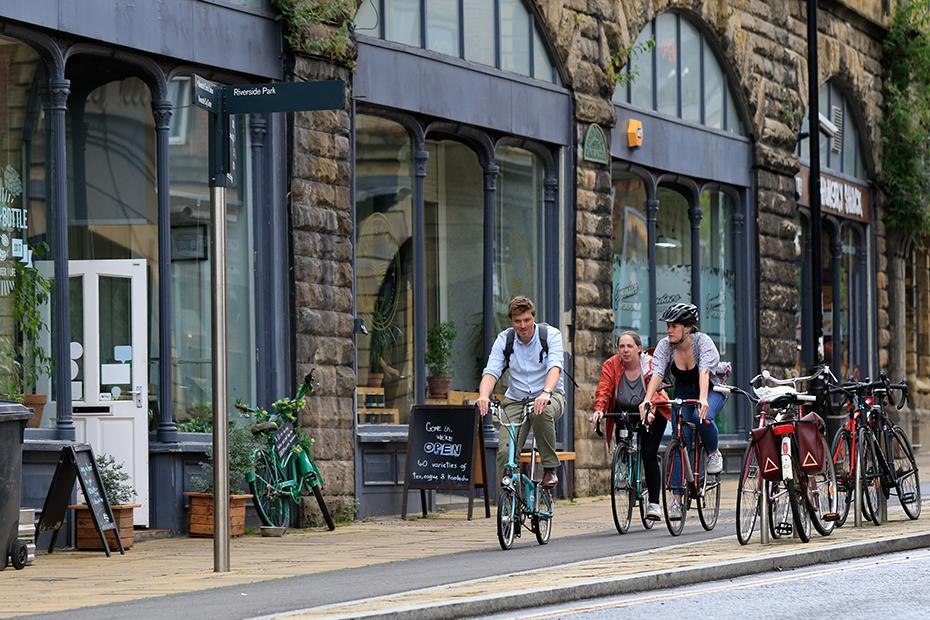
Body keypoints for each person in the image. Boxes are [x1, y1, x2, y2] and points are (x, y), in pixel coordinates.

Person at [640, 303, 728, 517]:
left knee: (700, 416)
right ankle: (678, 500)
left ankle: (714, 452)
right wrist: (647, 400)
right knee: (681, 438)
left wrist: (703, 399)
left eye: (674, 325)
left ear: (688, 328)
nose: (669, 330)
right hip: (683, 389)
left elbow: (705, 372)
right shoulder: (665, 345)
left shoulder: (703, 342)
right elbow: (657, 373)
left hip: (712, 389)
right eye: (668, 325)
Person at [476, 296, 565, 488]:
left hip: (550, 395)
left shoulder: (550, 335)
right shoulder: (505, 339)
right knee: (504, 452)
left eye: (527, 320)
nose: (523, 325)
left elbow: (555, 367)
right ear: (511, 321)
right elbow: (491, 371)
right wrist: (483, 395)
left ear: (533, 317)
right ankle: (510, 503)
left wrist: (546, 392)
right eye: (517, 321)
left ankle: (549, 468)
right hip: (516, 400)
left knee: (540, 411)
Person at [590, 331, 669, 521]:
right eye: (622, 346)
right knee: (622, 432)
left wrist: (650, 409)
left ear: (639, 348)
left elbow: (657, 390)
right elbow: (604, 390)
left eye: (630, 346)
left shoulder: (649, 364)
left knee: (649, 454)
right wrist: (599, 410)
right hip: (625, 410)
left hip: (653, 410)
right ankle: (624, 463)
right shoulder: (612, 364)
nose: (625, 350)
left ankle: (654, 504)